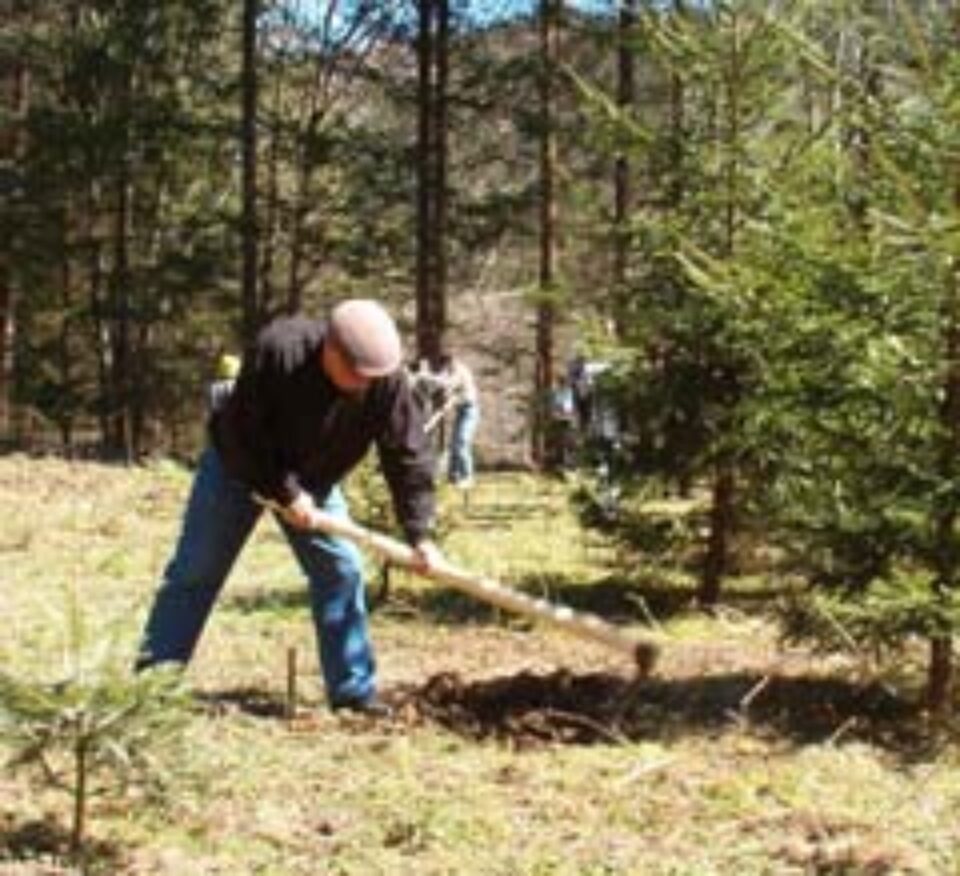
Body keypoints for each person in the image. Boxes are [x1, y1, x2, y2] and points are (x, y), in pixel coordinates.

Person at [136, 299, 441, 716]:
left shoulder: (385, 381)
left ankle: (353, 692)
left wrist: (420, 533)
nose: (362, 386)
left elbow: (408, 455)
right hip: (239, 468)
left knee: (342, 571)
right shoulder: (280, 350)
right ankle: (152, 687)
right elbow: (245, 434)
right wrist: (285, 493)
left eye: (372, 377)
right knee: (196, 572)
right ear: (330, 349)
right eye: (355, 374)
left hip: (313, 482)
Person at [436, 354, 479, 488]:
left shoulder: (461, 372)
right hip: (460, 411)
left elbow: (455, 389)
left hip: (470, 410)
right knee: (454, 444)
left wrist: (449, 403)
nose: (446, 369)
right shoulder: (447, 371)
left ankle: (467, 477)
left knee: (462, 442)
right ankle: (453, 477)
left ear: (452, 362)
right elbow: (441, 381)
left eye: (447, 366)